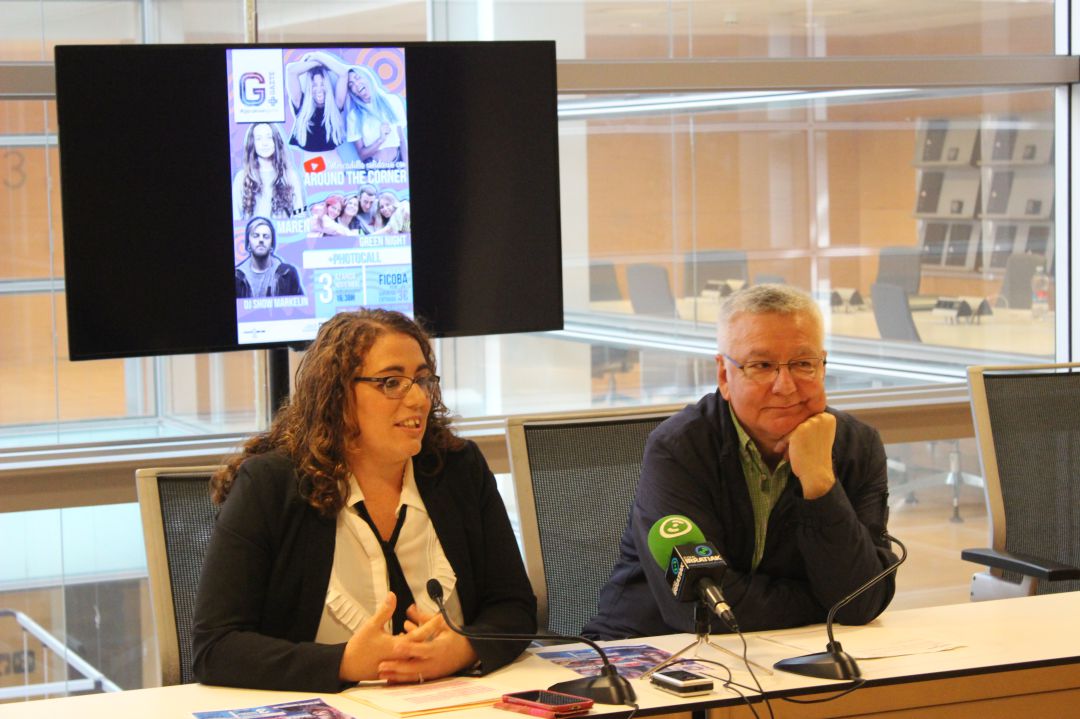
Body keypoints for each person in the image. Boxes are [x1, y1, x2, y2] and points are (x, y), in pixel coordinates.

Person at [192, 309, 537, 691]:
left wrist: (461, 650)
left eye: (422, 380)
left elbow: (514, 606)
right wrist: (343, 663)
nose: (418, 399)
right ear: (337, 396)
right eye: (392, 382)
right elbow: (217, 647)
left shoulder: (457, 468)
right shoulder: (271, 485)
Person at [583, 284, 896, 639]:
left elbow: (863, 601)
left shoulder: (858, 446)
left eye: (803, 364)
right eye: (761, 365)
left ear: (823, 366)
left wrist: (820, 482)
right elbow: (701, 608)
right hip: (648, 651)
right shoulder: (679, 448)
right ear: (723, 375)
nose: (785, 386)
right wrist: (824, 602)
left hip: (791, 652)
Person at [232, 122, 304, 220]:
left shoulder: (290, 176)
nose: (264, 143)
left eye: (269, 137)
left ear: (276, 141)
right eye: (259, 138)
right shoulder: (242, 177)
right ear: (252, 143)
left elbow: (300, 213)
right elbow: (236, 217)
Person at [341, 65, 408, 164]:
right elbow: (362, 155)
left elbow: (402, 140)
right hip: (374, 169)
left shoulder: (393, 101)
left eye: (358, 78)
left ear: (367, 77)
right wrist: (381, 140)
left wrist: (407, 171)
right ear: (353, 92)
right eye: (351, 85)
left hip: (398, 163)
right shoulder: (353, 116)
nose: (356, 84)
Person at [285, 52, 347, 153]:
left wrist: (318, 57)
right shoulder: (300, 102)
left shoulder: (336, 105)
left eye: (322, 84)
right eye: (314, 85)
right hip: (303, 164)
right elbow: (291, 71)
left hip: (334, 164)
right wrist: (317, 63)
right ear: (309, 87)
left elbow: (343, 73)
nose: (319, 89)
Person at [234, 217, 304, 298]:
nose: (261, 240)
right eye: (256, 236)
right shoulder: (237, 276)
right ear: (248, 244)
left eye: (266, 236)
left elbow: (301, 307)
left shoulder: (288, 273)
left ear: (272, 245)